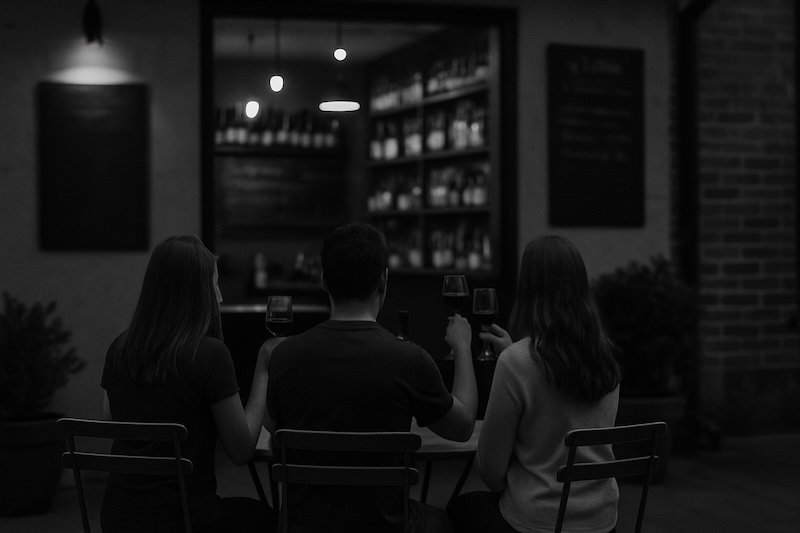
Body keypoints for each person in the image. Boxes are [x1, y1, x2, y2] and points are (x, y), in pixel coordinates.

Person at [264, 223, 477, 533]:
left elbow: (273, 427)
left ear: (323, 280)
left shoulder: (286, 356)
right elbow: (463, 427)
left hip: (303, 525)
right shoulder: (410, 359)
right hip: (387, 526)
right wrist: (463, 348)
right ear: (383, 281)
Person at [100, 235, 276, 532]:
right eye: (215, 284)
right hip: (185, 520)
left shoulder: (120, 347)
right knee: (269, 519)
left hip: (119, 519)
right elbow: (241, 450)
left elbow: (109, 419)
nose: (220, 297)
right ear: (197, 293)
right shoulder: (208, 354)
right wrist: (263, 368)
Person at [448, 235, 621, 533]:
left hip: (538, 523)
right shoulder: (606, 357)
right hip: (602, 523)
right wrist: (515, 354)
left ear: (528, 289)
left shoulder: (517, 363)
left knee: (457, 509)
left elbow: (491, 473)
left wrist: (514, 358)